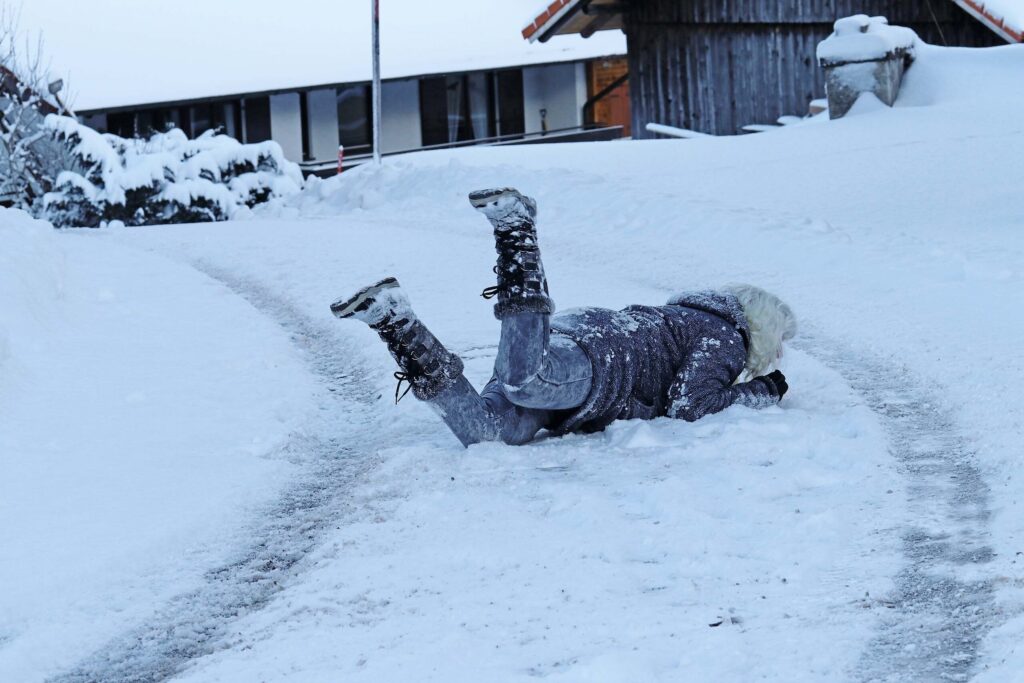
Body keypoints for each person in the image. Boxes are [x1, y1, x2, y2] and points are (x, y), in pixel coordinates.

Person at [331, 188, 797, 447]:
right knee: (526, 378)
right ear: (763, 326)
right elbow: (690, 405)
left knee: (487, 434)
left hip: (573, 373)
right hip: (602, 356)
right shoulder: (723, 334)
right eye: (782, 340)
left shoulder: (697, 321)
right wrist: (763, 390)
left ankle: (395, 322)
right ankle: (517, 235)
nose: (779, 352)